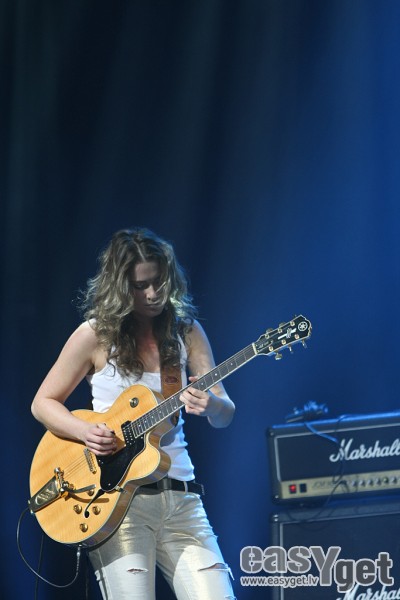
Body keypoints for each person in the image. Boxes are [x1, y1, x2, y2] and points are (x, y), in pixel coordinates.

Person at [31, 227, 236, 600]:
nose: (153, 293)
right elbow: (42, 402)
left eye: (159, 282)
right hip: (117, 503)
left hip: (182, 498)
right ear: (120, 288)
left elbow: (225, 413)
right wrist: (84, 431)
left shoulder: (186, 331)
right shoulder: (94, 335)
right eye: (141, 286)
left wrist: (213, 405)